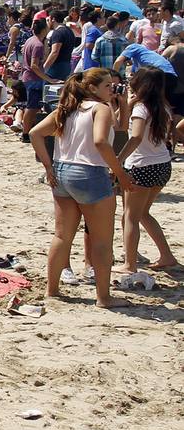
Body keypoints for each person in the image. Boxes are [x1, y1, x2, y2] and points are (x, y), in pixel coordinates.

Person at [29, 68, 133, 308]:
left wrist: (48, 166)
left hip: (63, 170)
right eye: (108, 85)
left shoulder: (67, 108)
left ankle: (52, 289)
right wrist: (120, 173)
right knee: (102, 240)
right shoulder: (100, 109)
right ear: (93, 88)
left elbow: (35, 133)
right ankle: (103, 297)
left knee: (62, 236)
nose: (112, 89)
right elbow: (100, 141)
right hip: (90, 173)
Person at [117, 68, 177, 273]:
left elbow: (135, 136)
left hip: (141, 165)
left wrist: (118, 160)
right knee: (143, 214)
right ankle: (167, 255)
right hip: (162, 164)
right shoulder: (164, 107)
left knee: (131, 216)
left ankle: (129, 264)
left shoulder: (142, 108)